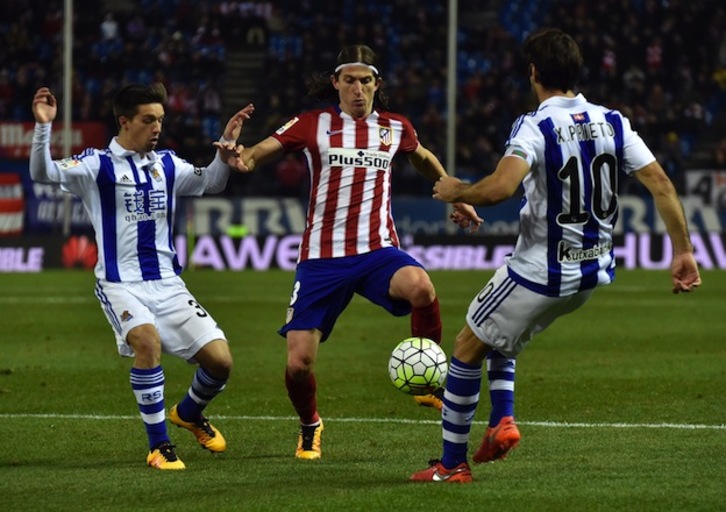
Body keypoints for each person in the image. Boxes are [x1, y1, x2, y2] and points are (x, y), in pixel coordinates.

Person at [410, 28, 702, 483]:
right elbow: (661, 184)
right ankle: (500, 422)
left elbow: (501, 187)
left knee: (467, 347)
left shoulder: (536, 125)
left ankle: (451, 466)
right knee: (499, 336)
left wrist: (456, 190)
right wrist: (683, 250)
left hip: (538, 273)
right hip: (588, 275)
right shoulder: (614, 121)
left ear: (533, 73)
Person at [232, 44, 483, 460]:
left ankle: (425, 379)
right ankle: (310, 424)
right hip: (321, 259)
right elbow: (257, 153)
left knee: (421, 285)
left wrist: (454, 194)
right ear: (336, 83)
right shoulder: (313, 124)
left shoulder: (395, 128)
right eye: (349, 80)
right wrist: (240, 159)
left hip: (377, 251)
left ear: (376, 85)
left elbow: (422, 158)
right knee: (298, 364)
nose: (357, 89)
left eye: (365, 81)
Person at [29, 84, 254, 470]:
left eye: (160, 120)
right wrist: (43, 127)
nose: (157, 128)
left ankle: (188, 413)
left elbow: (210, 183)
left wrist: (225, 146)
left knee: (221, 362)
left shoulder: (167, 163)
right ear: (124, 121)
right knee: (146, 344)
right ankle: (159, 446)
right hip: (121, 284)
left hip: (168, 283)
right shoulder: (96, 165)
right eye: (148, 120)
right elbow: (43, 173)